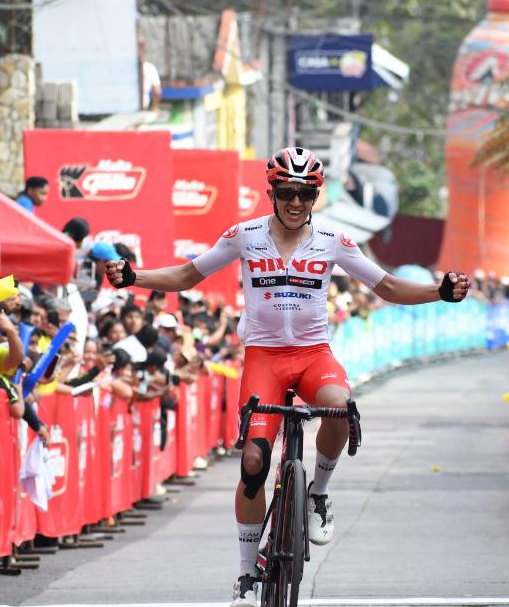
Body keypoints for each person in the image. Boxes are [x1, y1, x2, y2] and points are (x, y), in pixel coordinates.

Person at [107, 146, 471, 607]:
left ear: (316, 196)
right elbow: (185, 276)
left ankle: (318, 493)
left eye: (305, 194)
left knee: (340, 407)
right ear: (272, 193)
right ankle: (246, 573)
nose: (296, 202)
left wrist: (440, 292)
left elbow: (388, 286)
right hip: (264, 358)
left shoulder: (333, 240)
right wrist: (133, 277)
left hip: (313, 354)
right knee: (253, 464)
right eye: (286, 192)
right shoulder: (244, 235)